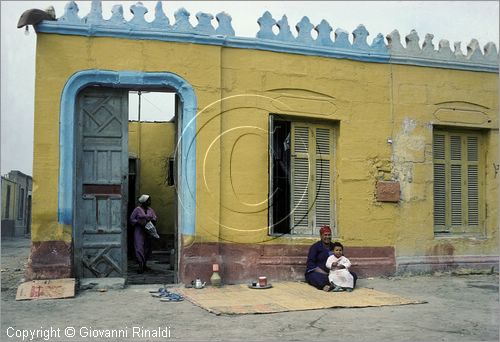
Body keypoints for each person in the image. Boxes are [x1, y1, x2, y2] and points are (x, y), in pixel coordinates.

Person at [305, 225, 357, 291]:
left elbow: (342, 258)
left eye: (329, 235)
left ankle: (335, 286)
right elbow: (311, 264)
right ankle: (330, 285)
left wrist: (342, 269)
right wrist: (325, 273)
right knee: (313, 276)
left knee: (353, 275)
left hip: (334, 273)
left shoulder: (334, 246)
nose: (327, 237)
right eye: (325, 235)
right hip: (320, 273)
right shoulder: (315, 247)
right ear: (321, 236)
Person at [130, 194, 157, 274]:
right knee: (139, 247)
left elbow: (154, 217)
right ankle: (140, 265)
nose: (149, 202)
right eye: (148, 200)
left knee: (147, 248)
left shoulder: (150, 210)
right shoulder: (137, 210)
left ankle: (145, 265)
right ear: (144, 201)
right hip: (139, 230)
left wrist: (152, 222)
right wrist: (138, 222)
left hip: (148, 230)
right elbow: (132, 219)